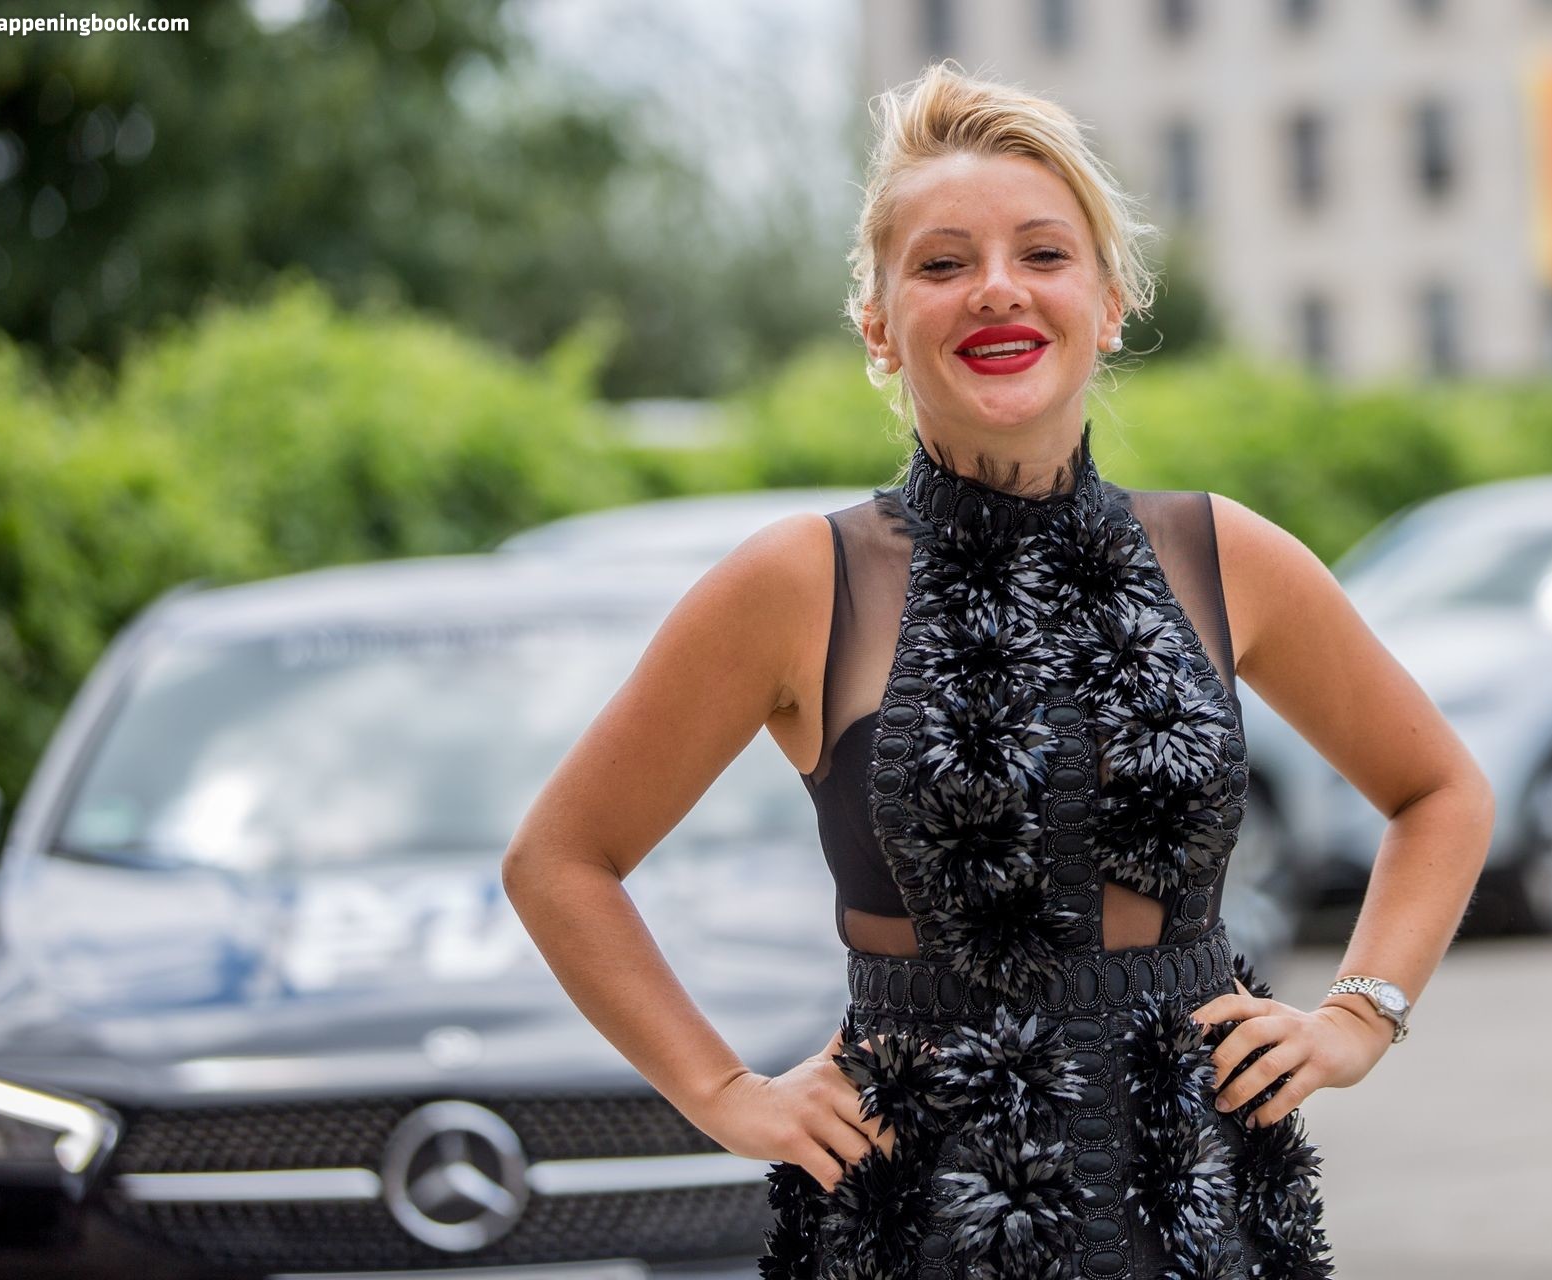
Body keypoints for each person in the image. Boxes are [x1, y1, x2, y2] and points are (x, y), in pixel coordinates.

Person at [502, 60, 1494, 1277]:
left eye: (1043, 252)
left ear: (1109, 302)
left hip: (1204, 1219)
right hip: (920, 1226)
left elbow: (1440, 790)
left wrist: (1358, 1013)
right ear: (878, 324)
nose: (997, 288)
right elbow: (561, 858)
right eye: (941, 263)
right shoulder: (798, 583)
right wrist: (725, 1091)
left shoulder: (1223, 554)